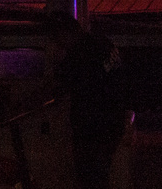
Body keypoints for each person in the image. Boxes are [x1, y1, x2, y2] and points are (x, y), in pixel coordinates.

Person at [48, 15, 129, 189]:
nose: (57, 43)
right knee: (102, 174)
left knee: (89, 176)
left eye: (57, 38)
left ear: (65, 34)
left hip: (92, 127)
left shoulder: (79, 54)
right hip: (114, 121)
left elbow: (57, 87)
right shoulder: (104, 43)